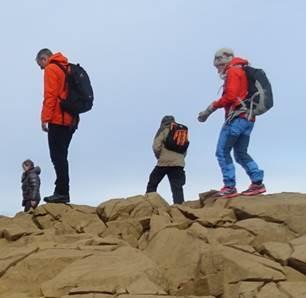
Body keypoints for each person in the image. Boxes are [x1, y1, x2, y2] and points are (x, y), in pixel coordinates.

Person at [198, 48, 265, 198]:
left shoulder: (233, 71)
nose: (217, 67)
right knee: (241, 153)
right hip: (248, 119)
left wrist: (209, 109)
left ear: (226, 59)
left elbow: (230, 96)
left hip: (236, 118)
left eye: (219, 63)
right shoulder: (242, 70)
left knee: (222, 151)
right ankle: (257, 182)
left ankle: (229, 186)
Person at [36, 48, 77, 204]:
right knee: (62, 157)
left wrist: (44, 118)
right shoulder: (66, 67)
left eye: (40, 64)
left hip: (58, 119)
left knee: (57, 157)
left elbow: (50, 96)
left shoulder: (51, 68)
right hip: (71, 120)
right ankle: (62, 191)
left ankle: (61, 192)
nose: (41, 69)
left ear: (44, 58)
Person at [146, 115, 187, 204]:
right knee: (177, 188)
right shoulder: (181, 132)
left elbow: (156, 146)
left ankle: (149, 203)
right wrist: (180, 159)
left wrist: (159, 157)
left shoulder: (163, 129)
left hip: (164, 162)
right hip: (178, 164)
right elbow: (184, 149)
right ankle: (179, 207)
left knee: (152, 183)